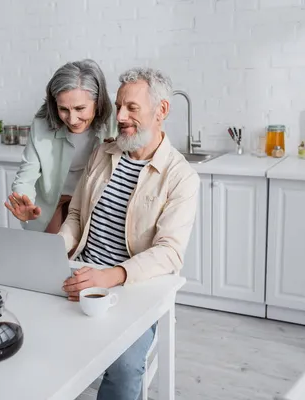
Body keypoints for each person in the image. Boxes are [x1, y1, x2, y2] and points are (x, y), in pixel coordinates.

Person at [60, 67, 200, 400]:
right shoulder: (103, 152)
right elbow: (77, 214)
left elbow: (169, 252)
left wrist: (111, 276)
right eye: (119, 106)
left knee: (124, 369)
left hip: (134, 288)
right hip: (81, 273)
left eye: (131, 108)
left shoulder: (181, 177)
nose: (120, 116)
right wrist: (56, 249)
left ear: (161, 110)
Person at [4, 59, 117, 234]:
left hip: (96, 207)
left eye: (80, 108)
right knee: (50, 256)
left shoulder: (115, 121)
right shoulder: (42, 124)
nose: (72, 119)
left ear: (98, 101)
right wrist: (24, 200)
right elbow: (27, 174)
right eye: (63, 109)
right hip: (53, 206)